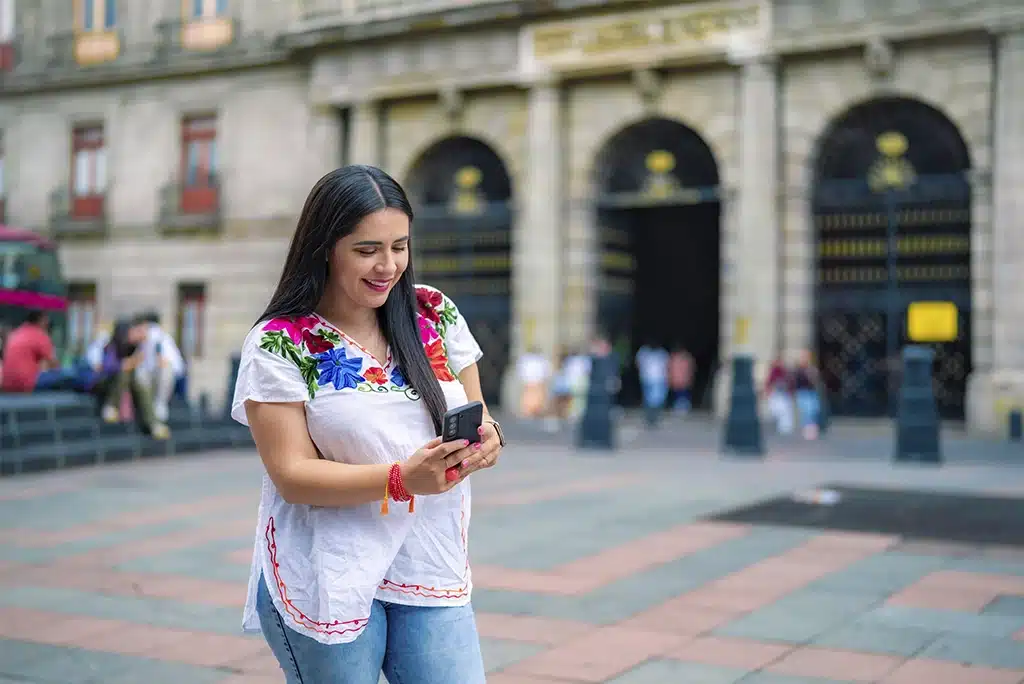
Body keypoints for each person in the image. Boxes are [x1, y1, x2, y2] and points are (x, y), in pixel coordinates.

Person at [231, 165, 504, 683]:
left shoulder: (434, 313)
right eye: (367, 250)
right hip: (327, 569)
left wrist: (488, 440)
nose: (388, 265)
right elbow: (291, 475)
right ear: (324, 248)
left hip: (428, 564)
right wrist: (400, 479)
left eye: (399, 246)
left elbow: (478, 412)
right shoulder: (280, 342)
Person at [134, 311, 187, 423]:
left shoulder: (159, 337)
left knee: (165, 370)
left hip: (169, 379)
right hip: (151, 378)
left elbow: (170, 364)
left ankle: (160, 405)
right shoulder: (142, 342)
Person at [0, 310, 56, 393]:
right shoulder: (39, 334)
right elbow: (54, 365)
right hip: (27, 385)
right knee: (68, 376)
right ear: (41, 319)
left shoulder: (15, 333)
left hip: (7, 385)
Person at [635, 341, 669, 426]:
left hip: (660, 380)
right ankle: (649, 418)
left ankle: (655, 418)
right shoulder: (643, 352)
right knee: (648, 400)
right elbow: (638, 363)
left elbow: (667, 366)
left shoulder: (662, 353)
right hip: (647, 380)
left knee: (658, 400)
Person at [793, 349, 822, 441]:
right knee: (806, 412)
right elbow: (796, 382)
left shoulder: (811, 369)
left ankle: (812, 430)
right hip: (802, 393)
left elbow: (815, 380)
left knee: (813, 411)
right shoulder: (799, 370)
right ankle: (807, 431)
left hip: (811, 392)